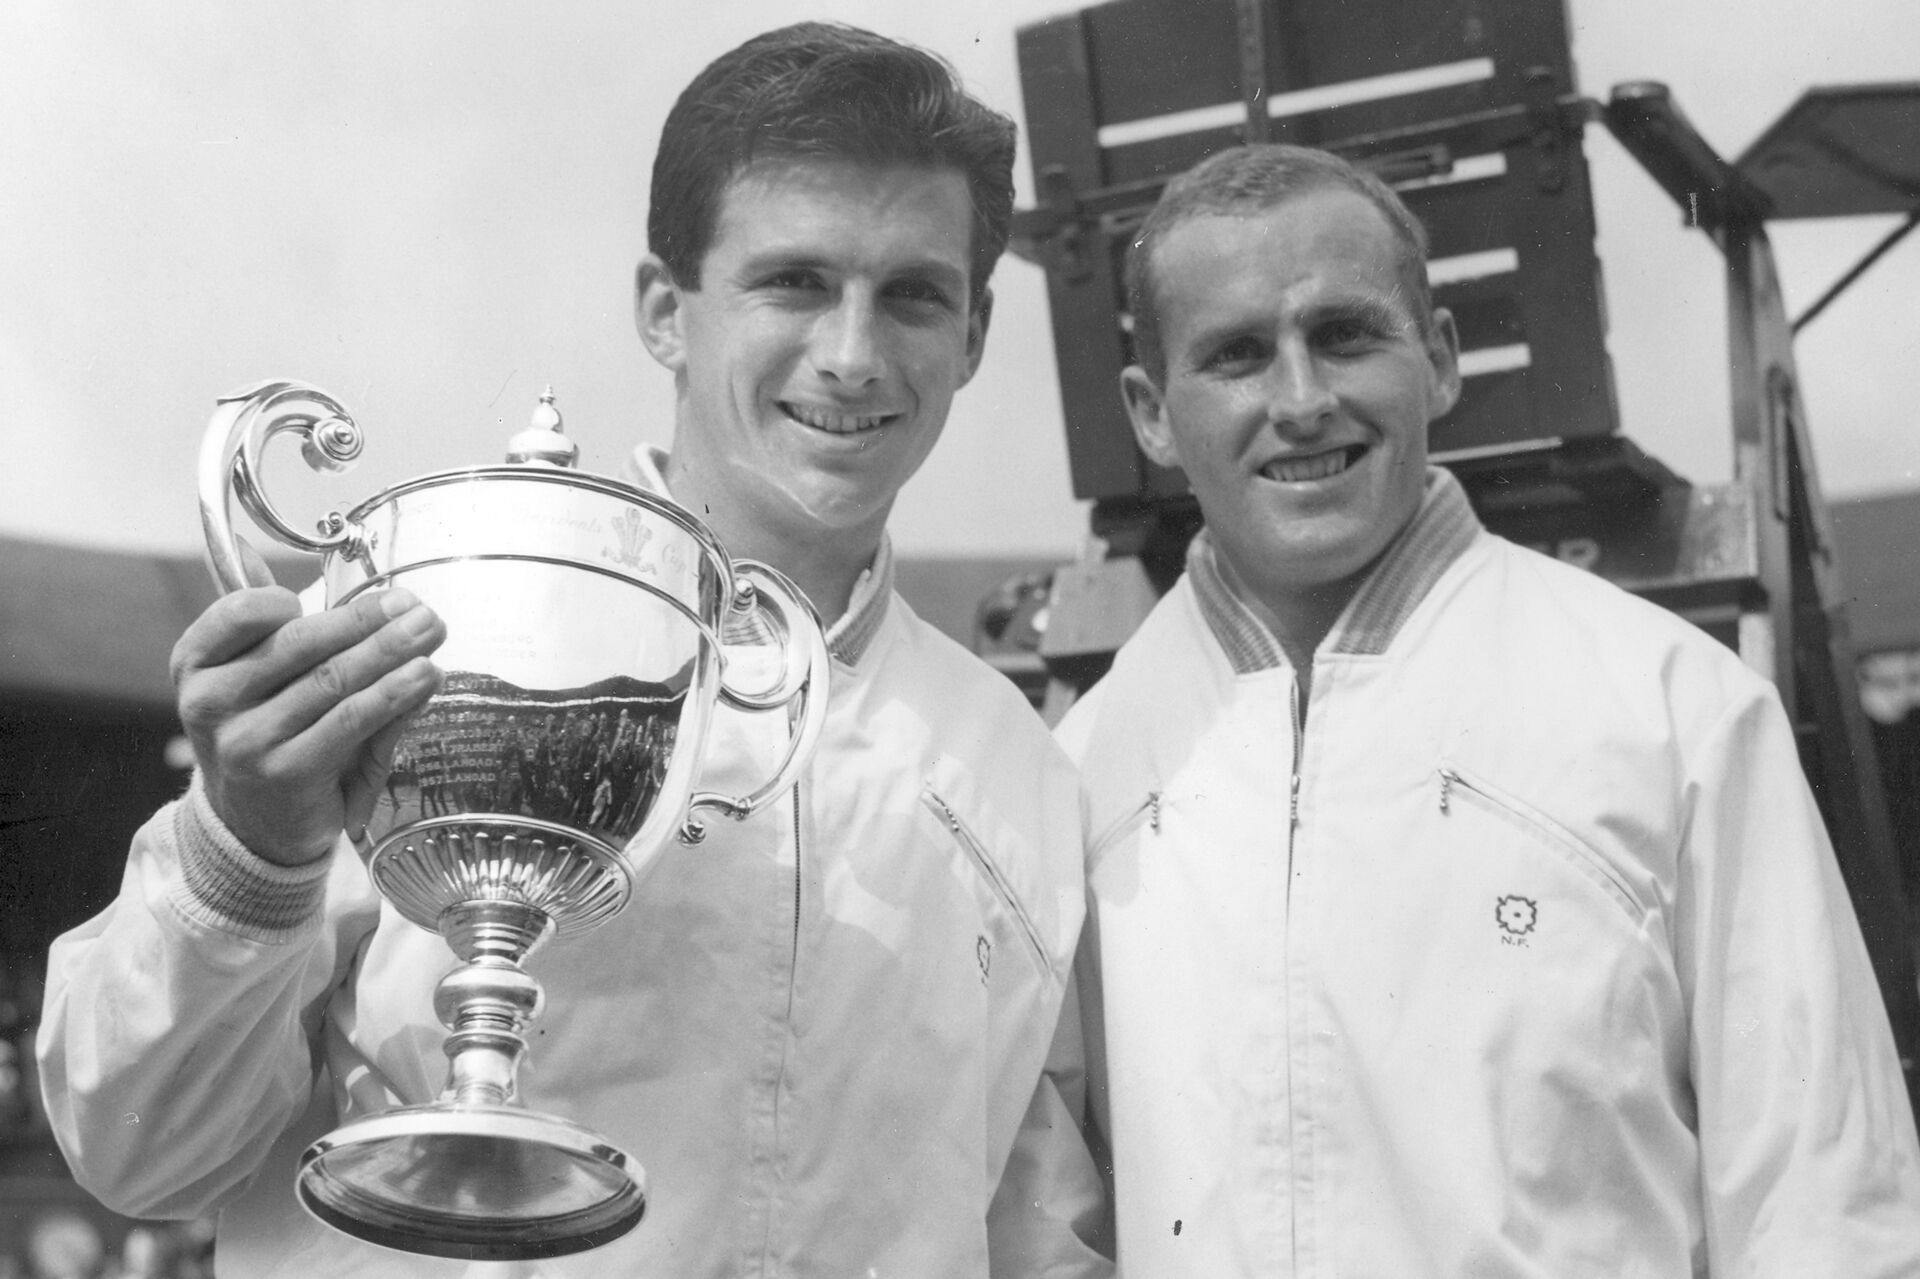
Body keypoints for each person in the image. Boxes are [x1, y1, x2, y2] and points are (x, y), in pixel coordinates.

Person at [37, 24, 1108, 1277]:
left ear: (975, 335)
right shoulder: (443, 629)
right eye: (795, 281)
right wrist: (250, 851)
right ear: (666, 309)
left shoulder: (1019, 770)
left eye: (913, 294)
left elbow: (1041, 1239)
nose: (853, 354)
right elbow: (138, 1149)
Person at [1052, 143, 1920, 1273]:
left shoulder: (1676, 713)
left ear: (1442, 360)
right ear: (1153, 414)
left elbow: (1828, 1210)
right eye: (1236, 356)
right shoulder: (1077, 770)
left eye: (1347, 334)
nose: (1303, 400)